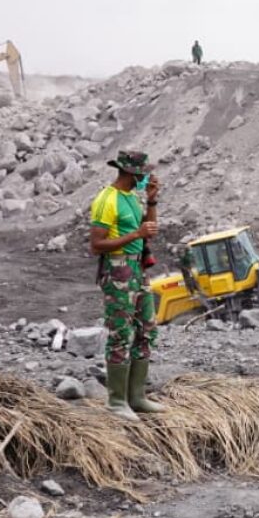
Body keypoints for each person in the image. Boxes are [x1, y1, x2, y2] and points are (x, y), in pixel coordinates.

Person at [88, 150, 164, 421]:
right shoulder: (106, 200)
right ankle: (116, 401)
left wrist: (152, 201)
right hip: (118, 268)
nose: (146, 178)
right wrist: (136, 234)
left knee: (145, 329)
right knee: (121, 332)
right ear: (132, 173)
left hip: (137, 267)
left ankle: (137, 396)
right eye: (143, 174)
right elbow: (96, 245)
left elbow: (149, 229)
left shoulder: (132, 197)